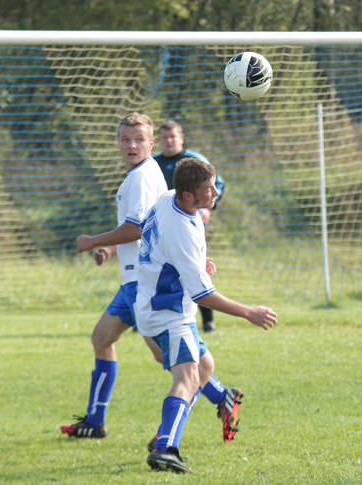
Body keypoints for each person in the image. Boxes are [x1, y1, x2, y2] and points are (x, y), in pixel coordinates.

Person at [59, 113, 234, 440]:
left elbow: (136, 227)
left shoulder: (140, 177)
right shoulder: (147, 171)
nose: (131, 145)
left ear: (150, 143)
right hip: (134, 278)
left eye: (138, 140)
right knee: (103, 339)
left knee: (178, 361)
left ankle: (215, 399)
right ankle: (96, 421)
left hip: (145, 283)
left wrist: (94, 241)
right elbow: (151, 224)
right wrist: (111, 250)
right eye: (125, 139)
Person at [136, 158, 277, 473]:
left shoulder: (169, 200)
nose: (216, 192)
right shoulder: (182, 229)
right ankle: (165, 447)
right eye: (208, 189)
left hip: (152, 303)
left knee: (204, 367)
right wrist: (248, 312)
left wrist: (195, 265)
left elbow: (164, 249)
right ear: (187, 195)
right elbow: (203, 295)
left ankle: (194, 416)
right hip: (168, 313)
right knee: (186, 377)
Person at [153, 120, 225, 333]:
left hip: (190, 220)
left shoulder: (193, 160)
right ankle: (151, 316)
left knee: (197, 267)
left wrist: (207, 210)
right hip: (163, 224)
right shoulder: (154, 163)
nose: (168, 141)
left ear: (181, 138)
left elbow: (216, 184)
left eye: (172, 137)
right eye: (164, 137)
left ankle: (208, 320)